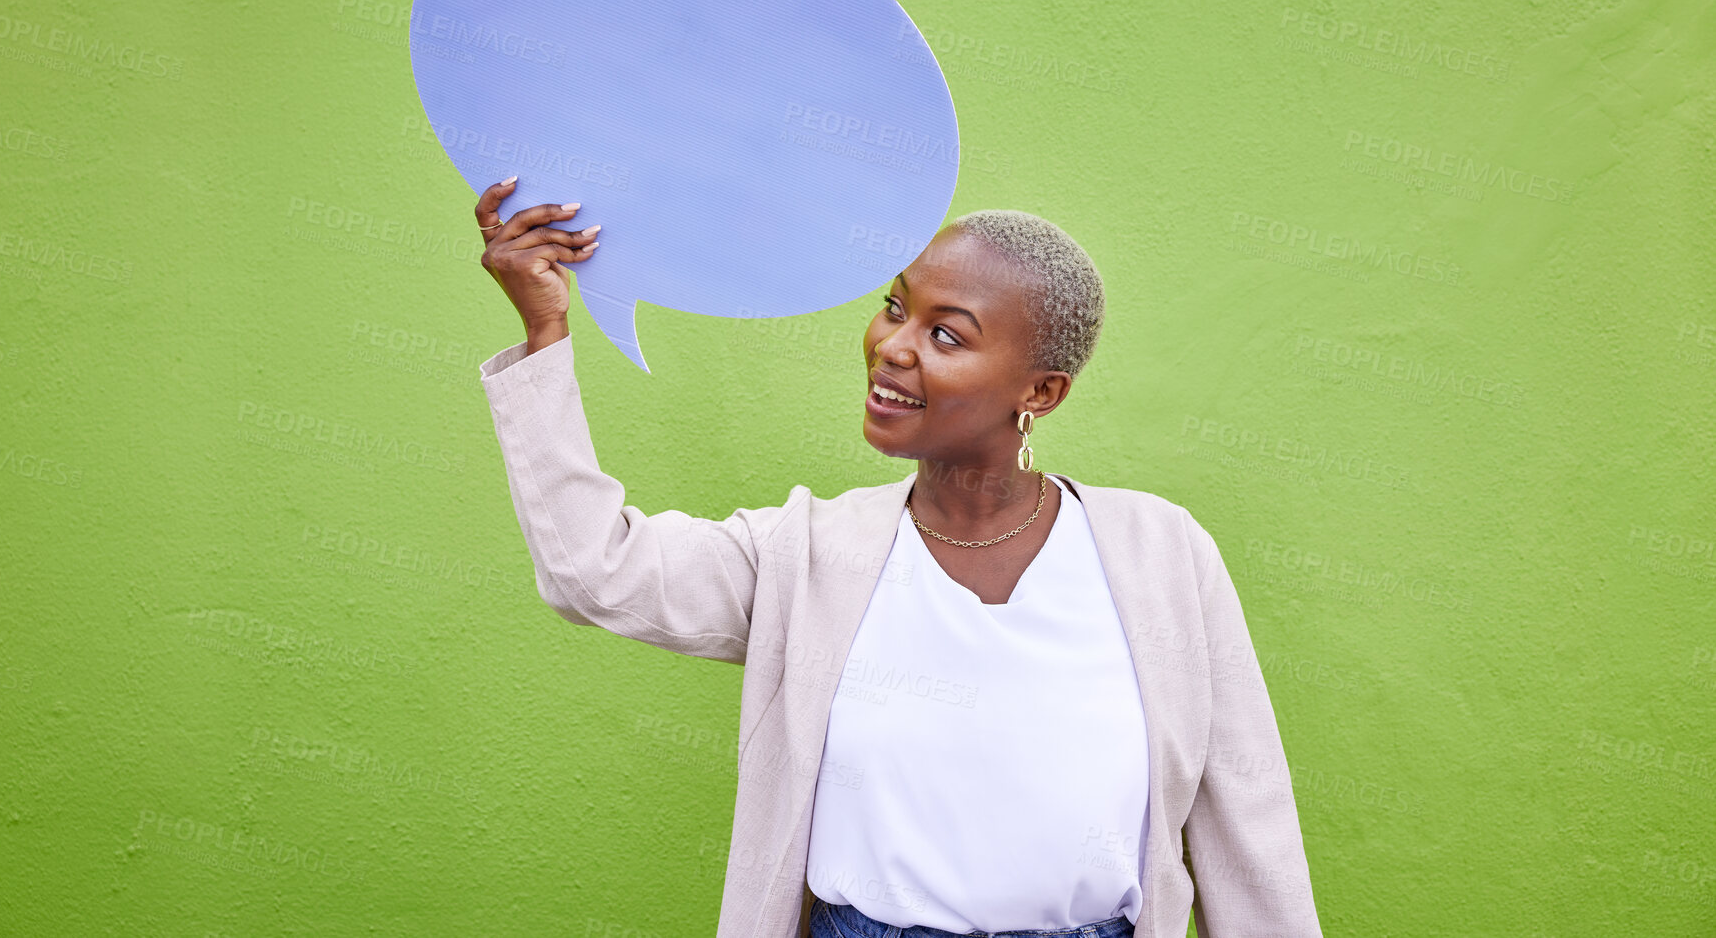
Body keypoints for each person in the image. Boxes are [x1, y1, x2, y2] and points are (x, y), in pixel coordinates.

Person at [473, 177, 1322, 938]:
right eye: (894, 306)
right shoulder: (805, 555)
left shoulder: (1161, 554)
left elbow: (1247, 817)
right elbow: (594, 571)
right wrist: (544, 328)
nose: (891, 344)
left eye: (947, 335)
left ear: (1040, 391)